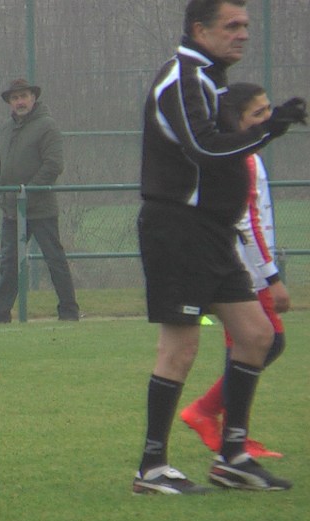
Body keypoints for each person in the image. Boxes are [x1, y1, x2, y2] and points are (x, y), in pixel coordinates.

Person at [132, 0, 306, 495]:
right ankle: (151, 468)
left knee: (256, 335)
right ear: (199, 30)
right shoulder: (182, 78)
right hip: (178, 229)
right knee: (180, 348)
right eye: (231, 25)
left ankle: (232, 458)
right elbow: (205, 147)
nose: (243, 34)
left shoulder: (213, 81)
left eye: (245, 25)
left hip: (212, 232)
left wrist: (267, 126)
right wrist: (269, 127)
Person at [180, 83, 290, 459]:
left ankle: (222, 425)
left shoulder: (249, 155)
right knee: (259, 342)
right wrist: (272, 277)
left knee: (260, 343)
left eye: (269, 110)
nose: (268, 119)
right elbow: (248, 221)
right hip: (243, 271)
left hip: (245, 268)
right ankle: (219, 424)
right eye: (258, 114)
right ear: (235, 121)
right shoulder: (243, 158)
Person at [0, 79, 79, 324]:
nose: (19, 102)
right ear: (9, 103)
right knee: (9, 263)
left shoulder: (47, 126)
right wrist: (2, 192)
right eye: (15, 98)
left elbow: (54, 165)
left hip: (41, 208)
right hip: (12, 209)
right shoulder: (4, 129)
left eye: (23, 96)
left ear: (33, 98)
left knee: (54, 259)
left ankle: (69, 311)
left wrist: (27, 192)